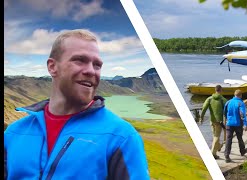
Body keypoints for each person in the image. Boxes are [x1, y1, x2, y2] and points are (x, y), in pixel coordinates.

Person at [4, 29, 150, 179]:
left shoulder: (121, 137)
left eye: (97, 65)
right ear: (52, 67)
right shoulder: (14, 132)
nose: (91, 71)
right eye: (80, 60)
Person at [199, 85, 227, 159]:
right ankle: (213, 153)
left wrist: (201, 118)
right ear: (221, 90)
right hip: (219, 121)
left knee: (214, 136)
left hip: (212, 121)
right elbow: (228, 110)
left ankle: (218, 147)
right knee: (216, 136)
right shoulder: (223, 100)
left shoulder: (209, 99)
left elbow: (204, 108)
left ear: (215, 90)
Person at [224, 89, 247, 163]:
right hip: (238, 123)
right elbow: (242, 114)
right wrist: (245, 124)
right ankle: (242, 151)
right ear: (240, 95)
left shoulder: (228, 102)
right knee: (239, 138)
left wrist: (228, 119)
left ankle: (226, 155)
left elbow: (224, 112)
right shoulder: (240, 103)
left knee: (228, 139)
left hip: (229, 123)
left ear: (234, 95)